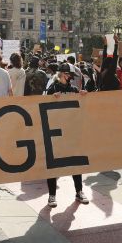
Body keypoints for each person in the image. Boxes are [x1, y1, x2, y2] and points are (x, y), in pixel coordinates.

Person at [44, 64, 89, 207]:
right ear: (62, 74)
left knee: (76, 162)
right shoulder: (52, 88)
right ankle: (52, 195)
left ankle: (79, 191)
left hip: (71, 132)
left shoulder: (74, 90)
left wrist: (83, 96)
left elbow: (80, 109)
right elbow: (42, 105)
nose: (70, 78)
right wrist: (51, 98)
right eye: (69, 75)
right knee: (53, 164)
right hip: (55, 133)